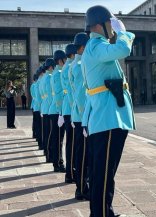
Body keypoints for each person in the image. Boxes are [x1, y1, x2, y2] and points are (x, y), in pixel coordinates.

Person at [82, 5, 136, 217]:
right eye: (109, 23)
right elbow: (123, 50)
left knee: (103, 172)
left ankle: (104, 211)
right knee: (103, 172)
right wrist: (123, 33)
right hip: (108, 116)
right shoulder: (96, 46)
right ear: (98, 25)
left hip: (105, 115)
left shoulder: (95, 46)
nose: (112, 28)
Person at [70, 32, 90, 200]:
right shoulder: (80, 64)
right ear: (83, 47)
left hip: (78, 115)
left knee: (82, 152)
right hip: (83, 116)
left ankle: (83, 185)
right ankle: (82, 188)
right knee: (83, 154)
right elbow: (82, 93)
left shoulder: (75, 64)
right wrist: (86, 118)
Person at [48, 50, 67, 173]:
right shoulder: (58, 73)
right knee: (58, 139)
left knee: (57, 138)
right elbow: (59, 95)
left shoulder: (56, 73)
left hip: (55, 109)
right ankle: (58, 163)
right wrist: (61, 112)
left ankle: (57, 162)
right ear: (60, 60)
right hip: (57, 110)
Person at [62, 44, 77, 183]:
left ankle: (71, 172)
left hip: (69, 108)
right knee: (72, 144)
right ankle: (71, 173)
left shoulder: (67, 67)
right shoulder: (71, 66)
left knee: (71, 143)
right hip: (71, 109)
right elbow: (71, 90)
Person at [40, 58, 55, 162]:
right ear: (51, 67)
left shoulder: (43, 78)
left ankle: (47, 153)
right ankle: (49, 155)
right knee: (51, 134)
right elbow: (50, 95)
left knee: (47, 133)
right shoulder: (49, 77)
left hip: (45, 107)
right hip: (50, 107)